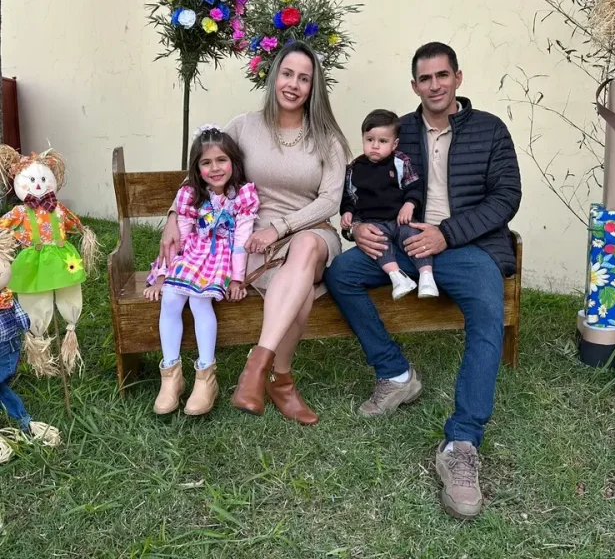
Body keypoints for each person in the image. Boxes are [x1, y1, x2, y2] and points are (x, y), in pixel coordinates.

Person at [324, 42, 522, 519]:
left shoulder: (490, 130)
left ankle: (461, 443)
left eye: (442, 75)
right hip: (402, 243)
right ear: (415, 85)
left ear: (457, 78)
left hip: (466, 248)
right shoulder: (398, 132)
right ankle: (396, 373)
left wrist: (446, 234)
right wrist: (356, 228)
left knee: (488, 313)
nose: (435, 85)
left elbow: (506, 197)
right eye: (425, 78)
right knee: (341, 273)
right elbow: (361, 188)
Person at [160, 41, 350, 425]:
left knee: (306, 247)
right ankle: (280, 379)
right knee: (299, 293)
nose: (293, 84)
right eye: (287, 74)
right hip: (251, 238)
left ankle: (255, 367)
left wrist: (281, 227)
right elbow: (200, 171)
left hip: (310, 230)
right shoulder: (244, 126)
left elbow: (330, 200)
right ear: (274, 75)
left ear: (313, 87)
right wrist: (172, 217)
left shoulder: (326, 137)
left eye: (304, 78)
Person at [145, 127, 259, 417]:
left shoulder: (242, 195)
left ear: (233, 161)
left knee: (199, 301)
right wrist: (162, 275)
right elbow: (179, 238)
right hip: (193, 253)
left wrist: (237, 279)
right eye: (206, 163)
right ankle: (171, 376)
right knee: (171, 298)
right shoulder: (190, 195)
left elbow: (242, 240)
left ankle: (206, 376)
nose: (215, 168)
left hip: (222, 257)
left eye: (221, 160)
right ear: (197, 168)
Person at [340, 108, 438, 301]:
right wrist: (348, 212)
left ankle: (427, 277)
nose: (375, 146)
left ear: (394, 144)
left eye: (383, 141)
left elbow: (414, 186)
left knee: (414, 238)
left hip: (400, 219)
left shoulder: (400, 162)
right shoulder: (355, 168)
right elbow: (349, 196)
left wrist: (410, 204)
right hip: (373, 222)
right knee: (378, 245)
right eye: (370, 140)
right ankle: (397, 278)